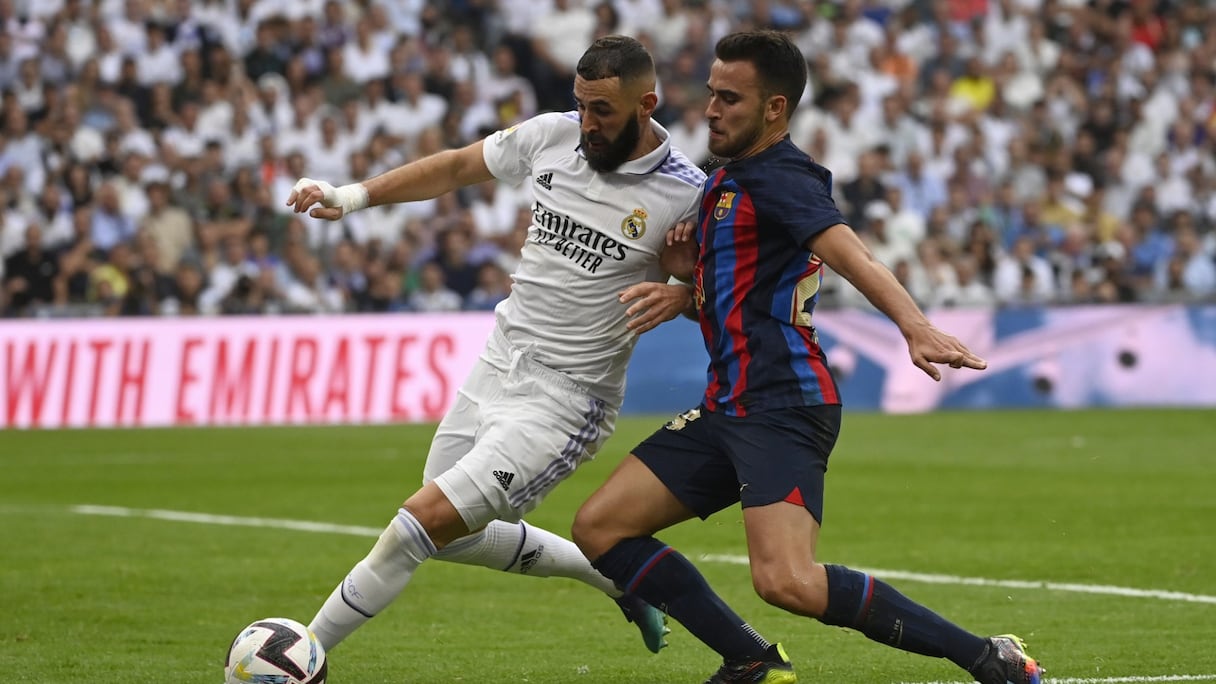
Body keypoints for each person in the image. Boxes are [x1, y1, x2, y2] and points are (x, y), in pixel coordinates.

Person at [570, 30, 1045, 684]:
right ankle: (750, 659)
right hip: (728, 404)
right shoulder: (725, 179)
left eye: (730, 99)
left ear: (775, 108)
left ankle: (989, 656)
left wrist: (914, 324)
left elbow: (853, 255)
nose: (711, 109)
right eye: (711, 93)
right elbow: (745, 292)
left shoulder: (783, 178)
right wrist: (688, 286)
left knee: (787, 581)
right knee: (601, 528)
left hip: (783, 406)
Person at [285, 35, 706, 661]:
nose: (587, 124)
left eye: (603, 112)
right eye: (581, 106)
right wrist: (353, 196)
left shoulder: (688, 193)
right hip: (497, 362)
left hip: (567, 401)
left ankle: (299, 656)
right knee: (448, 536)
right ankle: (617, 581)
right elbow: (457, 166)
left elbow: (726, 298)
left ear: (648, 103)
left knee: (419, 524)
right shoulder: (551, 136)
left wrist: (682, 280)